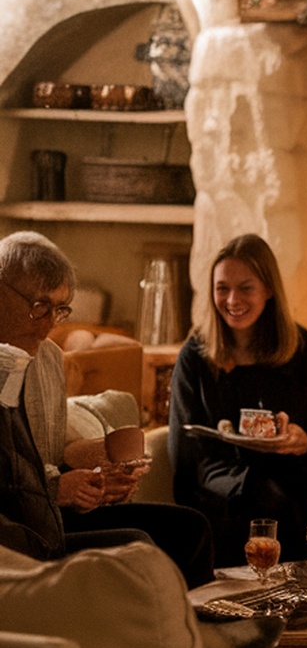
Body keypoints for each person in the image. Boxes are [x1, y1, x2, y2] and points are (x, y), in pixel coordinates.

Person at [0, 230, 212, 583]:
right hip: (18, 531)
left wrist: (98, 480)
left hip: (51, 513)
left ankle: (197, 635)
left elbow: (47, 453)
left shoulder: (49, 359)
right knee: (139, 547)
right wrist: (56, 489)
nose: (49, 324)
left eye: (60, 309)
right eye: (39, 307)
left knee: (190, 528)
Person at [168, 233, 307, 565]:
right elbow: (183, 448)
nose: (232, 299)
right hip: (218, 485)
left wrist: (304, 442)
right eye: (222, 288)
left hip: (290, 482)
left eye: (246, 287)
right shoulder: (196, 354)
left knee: (270, 494)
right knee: (256, 491)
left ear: (268, 290)